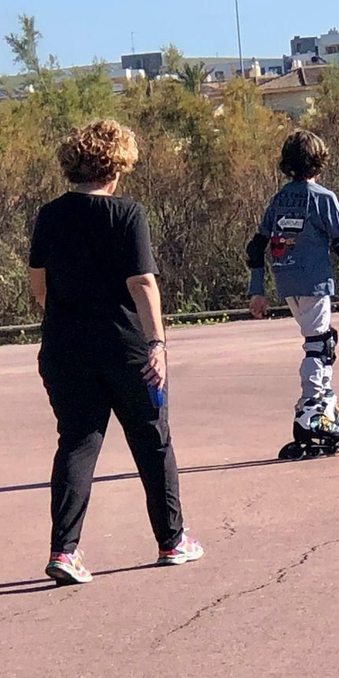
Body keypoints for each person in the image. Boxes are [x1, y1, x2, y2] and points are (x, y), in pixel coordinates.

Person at [28, 119, 202, 585]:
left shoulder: (50, 215)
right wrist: (158, 344)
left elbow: (38, 284)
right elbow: (143, 282)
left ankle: (64, 551)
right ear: (118, 164)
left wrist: (65, 313)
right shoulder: (128, 215)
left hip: (65, 349)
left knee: (78, 443)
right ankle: (172, 540)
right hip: (126, 349)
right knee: (152, 438)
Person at [247, 130, 339, 458]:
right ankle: (312, 410)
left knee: (320, 340)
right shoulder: (324, 198)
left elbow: (256, 247)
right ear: (319, 162)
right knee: (320, 344)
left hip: (288, 282)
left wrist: (257, 291)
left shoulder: (279, 199)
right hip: (315, 282)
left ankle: (322, 402)